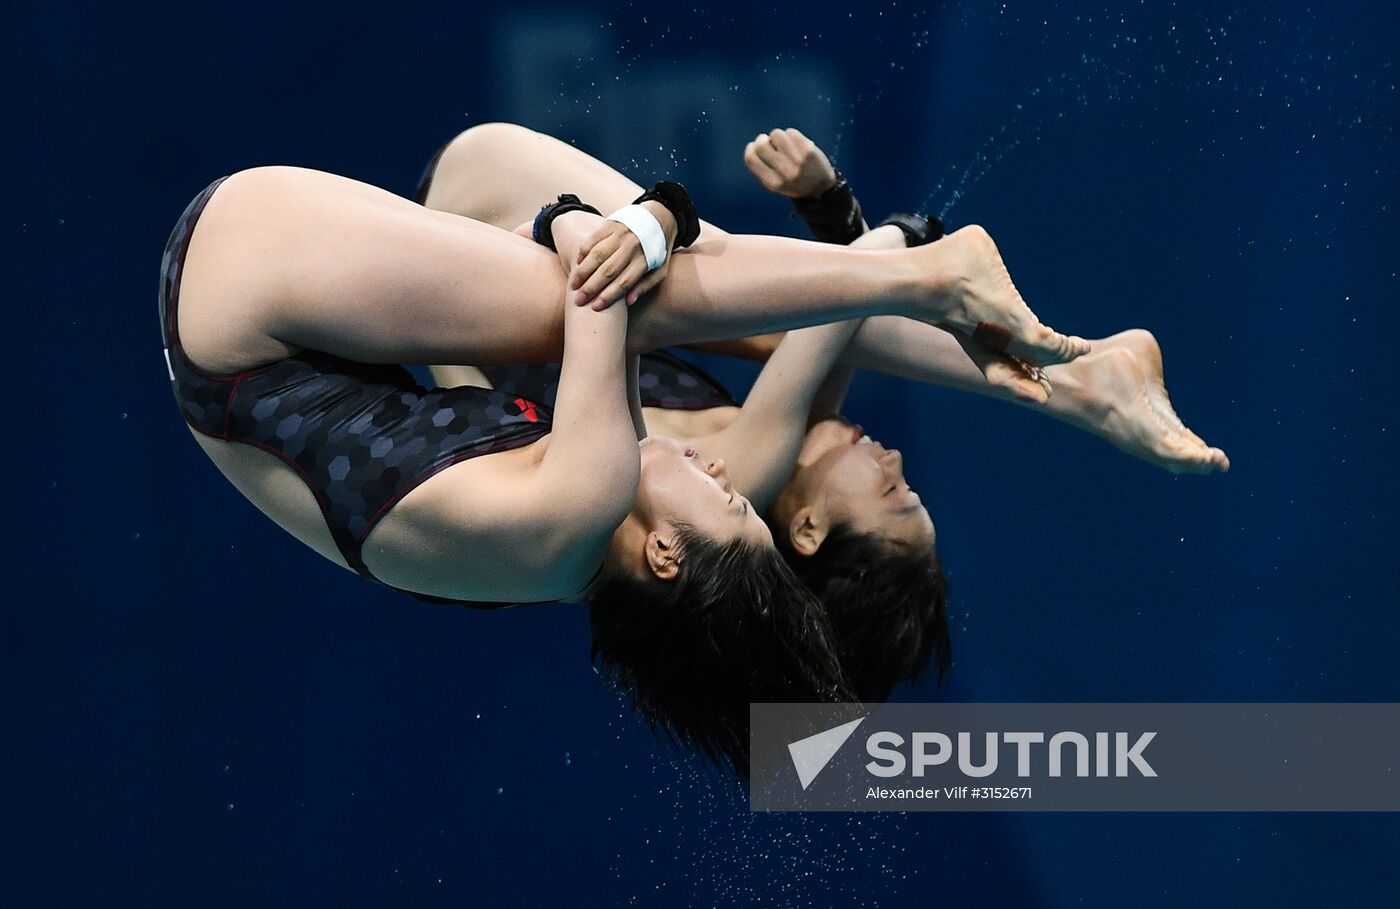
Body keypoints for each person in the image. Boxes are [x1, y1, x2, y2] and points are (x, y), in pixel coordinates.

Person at [160, 164, 1084, 768]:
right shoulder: (567, 557)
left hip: (248, 282)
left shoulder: (591, 500)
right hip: (222, 336)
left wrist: (652, 215)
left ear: (668, 557)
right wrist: (637, 226)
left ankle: (933, 279)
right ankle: (1004, 335)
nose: (724, 474)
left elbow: (597, 278)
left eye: (727, 501)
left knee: (657, 288)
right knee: (645, 276)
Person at [414, 122, 1229, 701]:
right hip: (474, 238)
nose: (897, 464)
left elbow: (844, 290)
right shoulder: (746, 472)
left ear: (802, 534)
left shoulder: (745, 471)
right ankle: (1081, 382)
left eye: (893, 498)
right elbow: (826, 324)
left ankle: (1082, 383)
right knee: (765, 328)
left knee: (735, 310)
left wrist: (888, 238)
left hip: (479, 210)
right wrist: (829, 213)